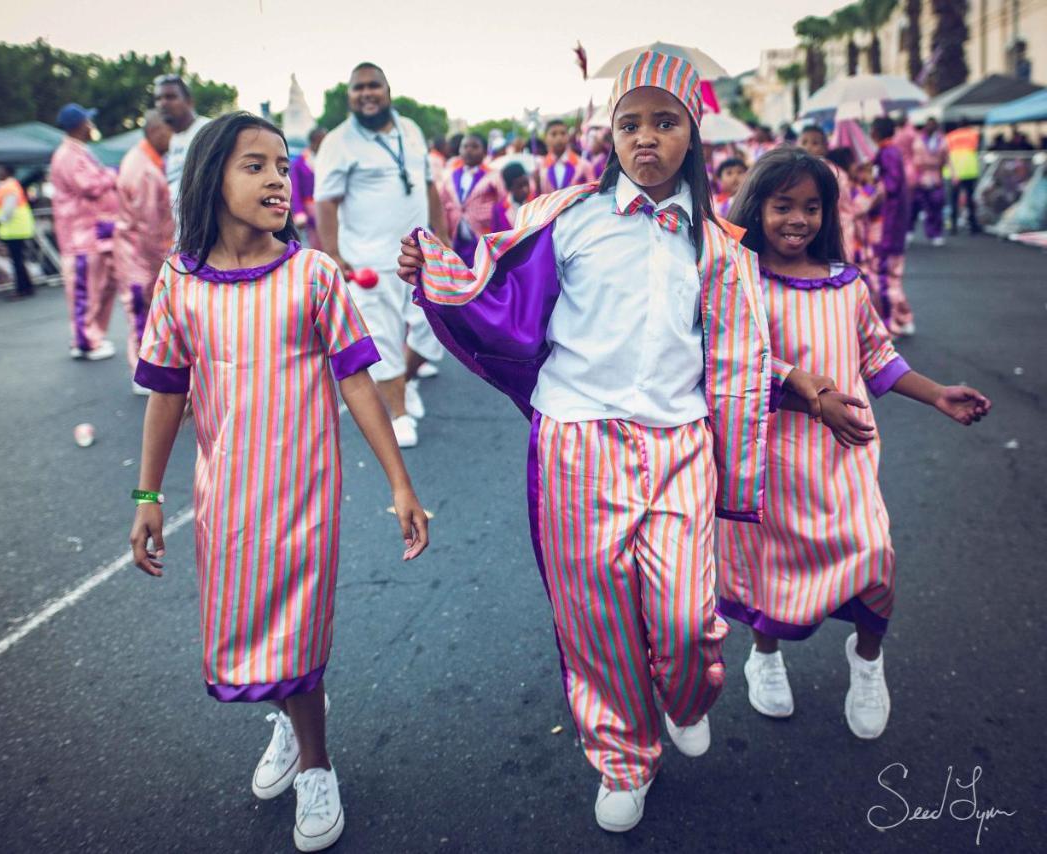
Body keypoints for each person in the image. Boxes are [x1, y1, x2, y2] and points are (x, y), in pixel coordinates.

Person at [397, 51, 831, 833]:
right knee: (594, 618)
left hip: (681, 445)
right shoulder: (566, 215)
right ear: (611, 135)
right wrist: (431, 270)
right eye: (630, 123)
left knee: (688, 615)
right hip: (577, 440)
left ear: (691, 134)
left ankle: (687, 691)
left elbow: (740, 354)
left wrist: (785, 401)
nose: (645, 138)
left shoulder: (723, 246)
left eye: (664, 122)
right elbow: (491, 284)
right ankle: (623, 758)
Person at [129, 112, 429, 853]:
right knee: (249, 628)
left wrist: (400, 484)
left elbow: (358, 382)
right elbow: (166, 391)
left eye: (281, 164)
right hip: (225, 494)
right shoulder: (179, 283)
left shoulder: (313, 274)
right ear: (210, 179)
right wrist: (147, 496)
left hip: (304, 494)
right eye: (253, 165)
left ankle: (317, 764)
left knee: (297, 629)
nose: (276, 179)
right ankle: (292, 725)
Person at [718, 147, 991, 737]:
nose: (798, 219)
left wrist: (937, 393)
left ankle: (867, 662)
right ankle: (764, 657)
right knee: (773, 570)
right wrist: (808, 398)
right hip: (773, 463)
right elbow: (734, 365)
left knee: (875, 556)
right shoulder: (740, 284)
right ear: (755, 206)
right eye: (783, 205)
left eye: (812, 207)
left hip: (845, 460)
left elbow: (878, 355)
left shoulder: (847, 284)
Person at [313, 61, 449, 449]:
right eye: (358, 88)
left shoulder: (411, 130)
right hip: (367, 263)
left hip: (418, 257)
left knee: (432, 330)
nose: (367, 93)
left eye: (374, 86)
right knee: (383, 339)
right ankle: (398, 413)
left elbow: (428, 186)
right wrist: (335, 253)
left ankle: (401, 386)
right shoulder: (338, 142)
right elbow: (325, 202)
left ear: (388, 91)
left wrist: (442, 236)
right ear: (350, 97)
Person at [49, 103, 121, 360]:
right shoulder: (68, 155)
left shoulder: (78, 152)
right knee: (84, 291)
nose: (92, 126)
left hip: (94, 234)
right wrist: (111, 175)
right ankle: (85, 341)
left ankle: (92, 336)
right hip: (81, 237)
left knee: (99, 287)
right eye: (88, 122)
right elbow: (88, 185)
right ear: (79, 126)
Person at [116, 111, 175, 389]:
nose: (172, 137)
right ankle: (144, 375)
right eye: (169, 130)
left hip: (138, 250)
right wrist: (166, 260)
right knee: (143, 313)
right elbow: (151, 226)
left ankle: (148, 372)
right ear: (155, 131)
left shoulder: (144, 161)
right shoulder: (145, 170)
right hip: (141, 254)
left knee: (148, 311)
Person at [868, 116, 914, 337]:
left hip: (888, 223)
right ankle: (903, 318)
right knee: (892, 274)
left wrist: (871, 194)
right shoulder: (891, 152)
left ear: (876, 132)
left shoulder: (886, 153)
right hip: (894, 223)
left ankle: (892, 324)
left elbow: (889, 186)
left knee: (885, 276)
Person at [154, 74, 212, 229]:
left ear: (189, 101)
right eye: (158, 99)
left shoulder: (208, 131)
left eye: (170, 97)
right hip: (182, 234)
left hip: (207, 234)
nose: (163, 103)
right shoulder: (175, 139)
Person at [439, 133, 505, 265]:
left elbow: (502, 201)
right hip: (457, 239)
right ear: (459, 150)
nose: (468, 150)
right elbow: (443, 203)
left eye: (475, 147)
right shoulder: (451, 175)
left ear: (485, 151)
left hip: (484, 238)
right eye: (465, 146)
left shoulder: (493, 175)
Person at [0, 165, 37, 300]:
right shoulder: (8, 186)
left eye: (0, 171)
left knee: (17, 261)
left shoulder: (9, 187)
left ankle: (21, 289)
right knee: (18, 260)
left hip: (14, 228)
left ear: (8, 172)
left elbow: (8, 209)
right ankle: (26, 287)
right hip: (15, 228)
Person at [913, 118, 949, 246]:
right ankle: (930, 231)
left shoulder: (941, 140)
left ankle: (936, 232)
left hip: (936, 176)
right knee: (926, 206)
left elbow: (946, 158)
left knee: (937, 204)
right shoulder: (920, 140)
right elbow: (916, 159)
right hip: (923, 177)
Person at [289, 126, 325, 249]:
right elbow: (296, 189)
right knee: (314, 243)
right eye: (319, 142)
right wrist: (299, 212)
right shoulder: (300, 162)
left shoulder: (329, 159)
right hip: (310, 209)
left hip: (328, 205)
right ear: (312, 142)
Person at [537, 118, 594, 193]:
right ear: (545, 138)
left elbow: (593, 194)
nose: (559, 138)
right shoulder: (541, 167)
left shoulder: (584, 165)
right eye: (554, 134)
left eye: (563, 133)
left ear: (568, 136)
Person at [946, 124, 982, 235]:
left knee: (953, 200)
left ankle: (953, 225)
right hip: (969, 170)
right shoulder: (973, 134)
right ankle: (973, 225)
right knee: (970, 200)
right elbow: (977, 147)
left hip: (955, 171)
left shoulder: (950, 136)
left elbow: (946, 153)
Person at [491, 161, 532, 231]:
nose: (525, 190)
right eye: (520, 186)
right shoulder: (499, 210)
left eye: (526, 184)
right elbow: (496, 237)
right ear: (509, 188)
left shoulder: (536, 201)